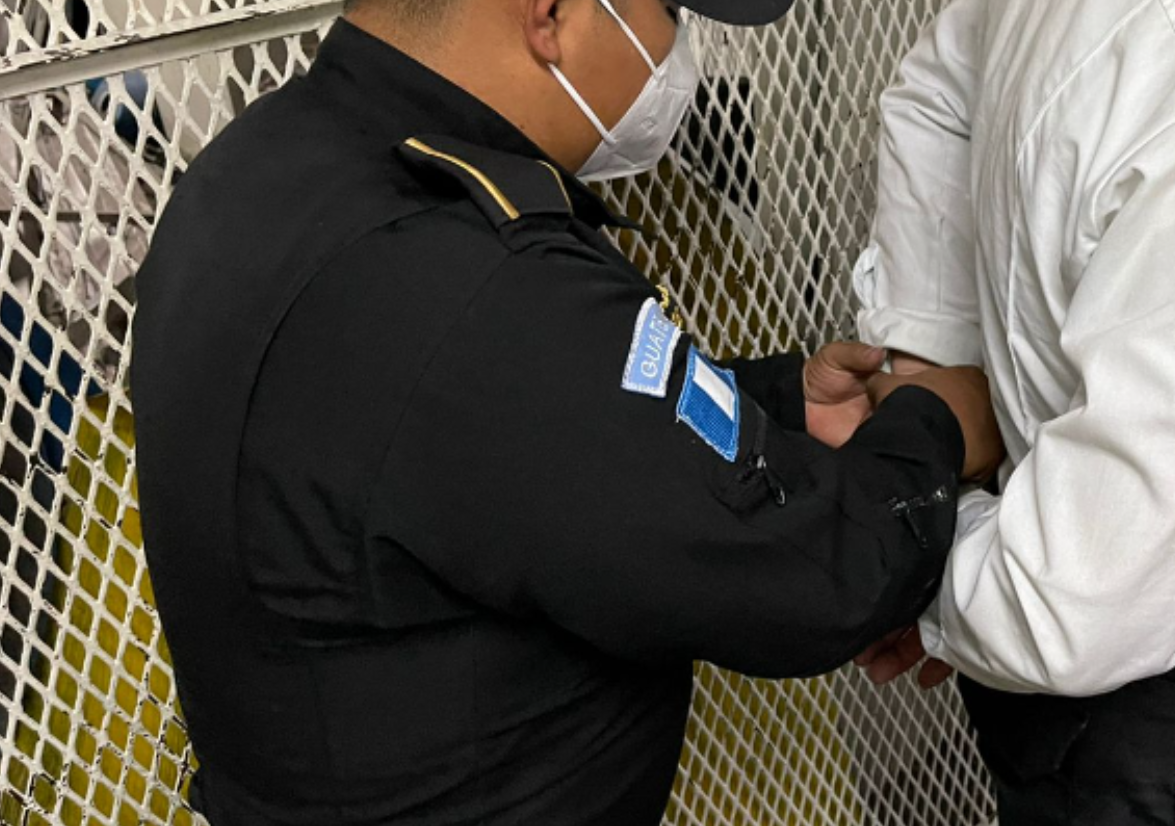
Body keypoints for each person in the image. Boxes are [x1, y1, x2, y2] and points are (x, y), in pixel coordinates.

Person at [130, 1, 1002, 823]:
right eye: (668, 13)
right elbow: (807, 576)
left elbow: (533, 444)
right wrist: (934, 420)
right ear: (548, 15)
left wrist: (779, 403)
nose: (676, 56)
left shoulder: (267, 168)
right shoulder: (472, 276)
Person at [852, 0, 1175, 823]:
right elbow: (939, 95)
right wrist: (930, 386)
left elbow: (1070, 600)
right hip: (1074, 675)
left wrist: (901, 554)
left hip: (1117, 678)